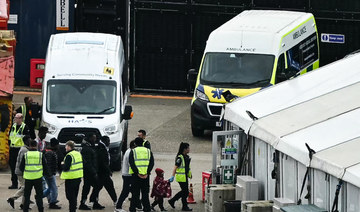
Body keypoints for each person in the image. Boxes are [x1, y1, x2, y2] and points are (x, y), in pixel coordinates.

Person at [19, 139, 49, 212]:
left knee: (27, 195)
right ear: (36, 146)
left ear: (29, 146)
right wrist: (46, 175)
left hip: (28, 178)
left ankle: (25, 210)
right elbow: (45, 167)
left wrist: (26, 172)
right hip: (38, 178)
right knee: (39, 195)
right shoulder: (40, 155)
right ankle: (40, 210)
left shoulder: (26, 155)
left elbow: (21, 167)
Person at [89, 136, 117, 208]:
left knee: (97, 187)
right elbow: (103, 162)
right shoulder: (101, 149)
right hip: (103, 172)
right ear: (104, 141)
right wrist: (109, 170)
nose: (109, 142)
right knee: (109, 186)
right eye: (108, 141)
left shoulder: (101, 147)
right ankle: (115, 201)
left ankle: (93, 201)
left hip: (100, 172)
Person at [129, 137, 154, 212]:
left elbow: (131, 163)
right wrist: (147, 172)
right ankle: (147, 208)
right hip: (146, 176)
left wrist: (137, 173)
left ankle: (132, 209)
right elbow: (151, 163)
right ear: (143, 143)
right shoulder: (148, 151)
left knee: (135, 194)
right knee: (145, 194)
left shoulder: (133, 151)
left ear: (135, 143)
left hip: (136, 176)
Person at [7, 135, 31, 209]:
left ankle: (23, 204)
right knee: (25, 187)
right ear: (26, 141)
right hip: (21, 172)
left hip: (21, 171)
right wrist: (25, 171)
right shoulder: (24, 150)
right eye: (29, 140)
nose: (30, 141)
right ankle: (12, 198)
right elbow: (22, 163)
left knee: (26, 188)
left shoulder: (25, 148)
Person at [79, 133, 102, 210]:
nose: (95, 140)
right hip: (89, 172)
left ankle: (93, 201)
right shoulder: (86, 149)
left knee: (94, 186)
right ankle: (84, 202)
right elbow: (87, 163)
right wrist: (94, 172)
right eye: (93, 138)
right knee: (89, 187)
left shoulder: (90, 147)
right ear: (90, 138)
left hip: (91, 171)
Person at [168, 142, 193, 211]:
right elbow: (175, 167)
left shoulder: (186, 157)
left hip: (184, 177)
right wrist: (172, 176)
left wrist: (189, 174)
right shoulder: (180, 157)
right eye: (188, 148)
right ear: (184, 149)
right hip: (181, 177)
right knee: (185, 192)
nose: (189, 149)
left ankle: (173, 201)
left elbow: (187, 167)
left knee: (185, 192)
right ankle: (183, 206)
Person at [8, 113, 30, 189]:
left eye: (17, 118)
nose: (15, 119)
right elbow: (10, 136)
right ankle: (14, 183)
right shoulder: (13, 126)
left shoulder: (24, 127)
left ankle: (22, 184)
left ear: (21, 118)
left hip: (20, 150)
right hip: (12, 149)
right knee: (12, 166)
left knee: (21, 167)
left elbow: (27, 138)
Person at [61, 140, 83, 212]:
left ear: (69, 147)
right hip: (78, 177)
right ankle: (74, 208)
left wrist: (62, 165)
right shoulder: (78, 154)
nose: (65, 148)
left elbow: (66, 168)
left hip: (70, 178)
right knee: (75, 195)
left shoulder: (69, 155)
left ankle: (72, 209)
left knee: (70, 196)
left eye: (66, 146)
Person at [115, 140, 136, 212]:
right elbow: (131, 164)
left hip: (126, 174)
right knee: (125, 191)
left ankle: (137, 205)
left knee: (132, 191)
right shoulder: (130, 152)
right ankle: (118, 206)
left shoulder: (128, 151)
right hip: (128, 175)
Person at [42, 138, 61, 209]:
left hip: (49, 173)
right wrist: (49, 174)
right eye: (57, 145)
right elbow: (48, 164)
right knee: (54, 188)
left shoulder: (49, 151)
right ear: (55, 145)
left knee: (50, 188)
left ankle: (40, 195)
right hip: (49, 174)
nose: (58, 146)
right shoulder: (50, 153)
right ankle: (52, 203)